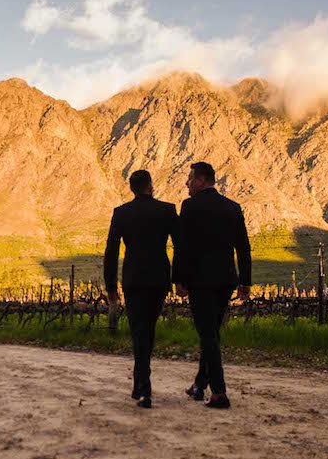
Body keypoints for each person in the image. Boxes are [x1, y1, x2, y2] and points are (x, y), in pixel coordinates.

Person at [172, 161, 251, 409]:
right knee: (212, 334)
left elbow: (182, 246)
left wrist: (178, 279)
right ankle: (199, 385)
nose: (186, 183)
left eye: (190, 178)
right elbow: (244, 248)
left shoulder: (190, 206)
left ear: (202, 181)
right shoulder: (233, 208)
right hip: (226, 280)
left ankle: (219, 393)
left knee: (208, 336)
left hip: (200, 281)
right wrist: (245, 281)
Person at [104, 169, 177, 409]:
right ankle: (141, 384)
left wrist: (111, 286)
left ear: (132, 189)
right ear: (151, 186)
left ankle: (142, 386)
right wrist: (179, 279)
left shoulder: (121, 213)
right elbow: (181, 247)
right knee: (149, 328)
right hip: (158, 279)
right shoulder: (167, 211)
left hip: (133, 279)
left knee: (138, 330)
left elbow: (112, 252)